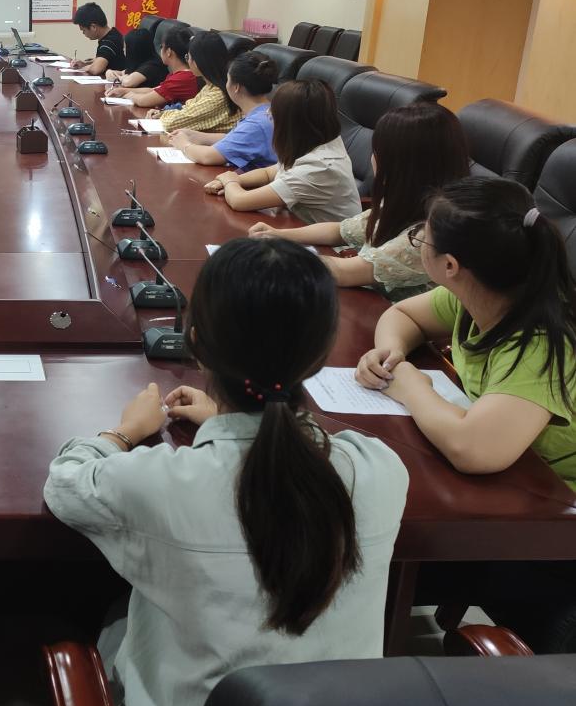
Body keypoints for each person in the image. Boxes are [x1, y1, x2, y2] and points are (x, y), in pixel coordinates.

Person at [44, 238, 407, 706]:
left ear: (195, 343)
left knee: (105, 620)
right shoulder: (381, 470)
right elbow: (298, 452)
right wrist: (236, 418)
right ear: (321, 355)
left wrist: (123, 432)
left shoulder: (158, 483)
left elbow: (65, 482)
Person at [355, 177, 576, 488]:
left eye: (422, 239)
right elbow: (403, 315)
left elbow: (473, 450)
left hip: (552, 494)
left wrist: (409, 385)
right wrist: (391, 353)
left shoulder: (541, 345)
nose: (419, 242)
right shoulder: (480, 295)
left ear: (450, 265)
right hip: (512, 466)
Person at [251, 103, 469, 300]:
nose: (373, 157)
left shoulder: (426, 235)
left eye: (378, 151)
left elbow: (345, 272)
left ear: (401, 165)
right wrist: (279, 235)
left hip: (389, 318)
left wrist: (277, 254)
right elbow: (340, 230)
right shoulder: (403, 203)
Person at [205, 79, 362, 224]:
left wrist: (229, 181)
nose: (268, 114)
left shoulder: (319, 167)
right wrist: (235, 180)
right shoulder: (319, 140)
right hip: (297, 225)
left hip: (327, 243)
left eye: (274, 113)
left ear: (291, 123)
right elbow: (268, 173)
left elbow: (240, 201)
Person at [169, 51, 277, 170]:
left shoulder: (256, 124)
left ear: (236, 87)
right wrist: (197, 136)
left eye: (228, 79)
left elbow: (207, 157)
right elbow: (236, 139)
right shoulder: (267, 110)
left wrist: (184, 145)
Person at [150, 30, 239, 134]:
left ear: (198, 61)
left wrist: (162, 116)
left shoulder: (218, 95)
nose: (188, 61)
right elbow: (187, 108)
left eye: (188, 57)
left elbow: (171, 124)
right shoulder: (210, 87)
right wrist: (161, 113)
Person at [113, 27, 198, 104]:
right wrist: (124, 91)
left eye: (161, 46)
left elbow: (143, 101)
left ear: (169, 52)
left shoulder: (181, 79)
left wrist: (128, 95)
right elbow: (154, 90)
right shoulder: (179, 75)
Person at [67, 2, 124, 76]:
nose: (83, 33)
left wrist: (83, 68)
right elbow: (103, 58)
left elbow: (96, 69)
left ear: (93, 27)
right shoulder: (113, 33)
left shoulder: (109, 41)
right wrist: (85, 63)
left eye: (83, 30)